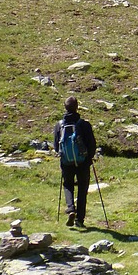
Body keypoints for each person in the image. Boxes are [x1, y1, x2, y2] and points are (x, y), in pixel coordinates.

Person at [53, 95, 96, 228]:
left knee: (68, 185)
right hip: (83, 162)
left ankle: (71, 209)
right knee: (83, 190)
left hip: (66, 162)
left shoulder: (59, 125)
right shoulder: (84, 124)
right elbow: (92, 144)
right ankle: (80, 220)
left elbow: (56, 146)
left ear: (65, 108)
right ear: (77, 107)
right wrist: (89, 158)